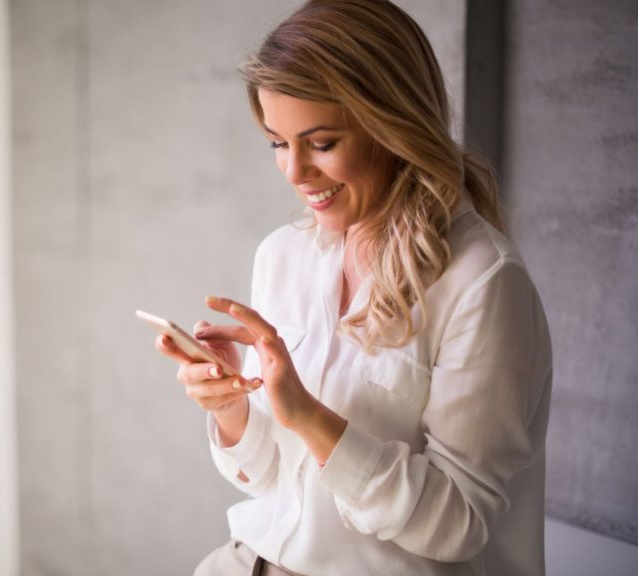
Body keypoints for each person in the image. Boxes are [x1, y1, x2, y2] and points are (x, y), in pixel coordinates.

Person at [152, 1, 553, 574]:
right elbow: (269, 477)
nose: (294, 172)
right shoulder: (283, 255)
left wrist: (311, 417)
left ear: (393, 124)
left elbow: (459, 520)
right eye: (276, 143)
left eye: (321, 143)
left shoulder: (483, 283)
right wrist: (235, 407)